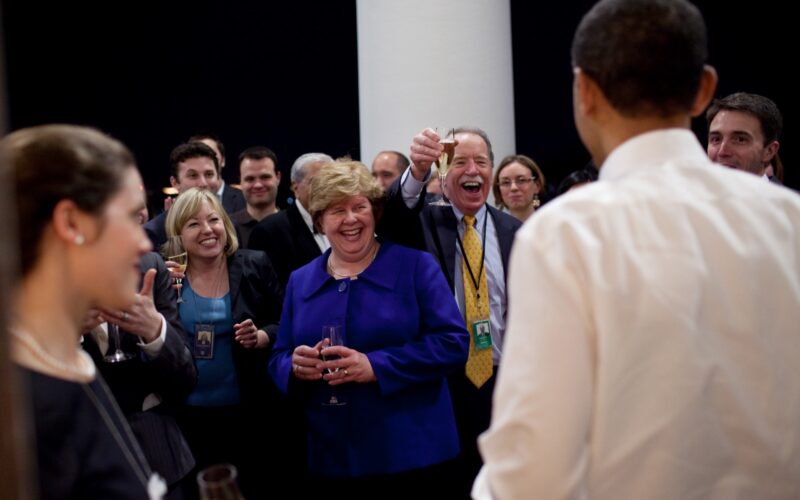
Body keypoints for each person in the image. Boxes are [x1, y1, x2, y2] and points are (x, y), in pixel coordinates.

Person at [474, 1, 800, 498]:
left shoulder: (568, 233)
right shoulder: (790, 219)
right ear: (704, 89)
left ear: (584, 90)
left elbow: (534, 470)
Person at [268, 161, 468, 496]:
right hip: (332, 458)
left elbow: (453, 344)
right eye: (336, 210)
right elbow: (278, 355)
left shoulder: (416, 267)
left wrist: (375, 366)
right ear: (319, 219)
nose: (350, 219)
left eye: (359, 207)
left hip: (414, 454)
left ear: (374, 212)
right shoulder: (300, 280)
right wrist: (294, 366)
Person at [2, 124, 165, 499]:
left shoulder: (65, 361)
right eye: (129, 217)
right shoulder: (23, 414)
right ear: (71, 223)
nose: (144, 242)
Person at [379, 126, 521, 497]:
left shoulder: (515, 231)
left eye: (482, 161)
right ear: (443, 169)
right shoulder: (422, 221)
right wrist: (418, 170)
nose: (472, 170)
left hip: (504, 385)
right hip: (442, 387)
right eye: (460, 161)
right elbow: (395, 212)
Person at [163, 188, 284, 497]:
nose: (207, 230)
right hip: (187, 416)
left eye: (213, 219)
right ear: (178, 234)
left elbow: (288, 321)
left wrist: (262, 336)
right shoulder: (168, 276)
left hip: (248, 411)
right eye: (193, 224)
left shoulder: (255, 264)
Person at [82, 250, 197, 500]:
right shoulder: (45, 278)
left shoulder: (149, 267)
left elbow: (186, 379)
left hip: (159, 455)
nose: (143, 238)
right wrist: (69, 333)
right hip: (85, 461)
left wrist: (155, 333)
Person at [248, 152, 334, 288]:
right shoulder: (268, 232)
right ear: (296, 187)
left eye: (330, 181)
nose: (325, 188)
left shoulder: (344, 223)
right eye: (316, 181)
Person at [144, 141, 220, 248]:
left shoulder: (230, 225)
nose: (203, 183)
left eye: (209, 174)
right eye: (193, 175)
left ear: (218, 178)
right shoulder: (154, 232)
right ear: (175, 183)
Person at [706, 92, 782, 180]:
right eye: (716, 139)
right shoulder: (692, 192)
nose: (722, 152)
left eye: (740, 139)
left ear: (769, 151)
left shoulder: (787, 194)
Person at [230, 146, 281, 247]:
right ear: (240, 181)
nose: (258, 185)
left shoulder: (295, 227)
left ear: (278, 178)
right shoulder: (227, 228)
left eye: (265, 177)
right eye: (250, 179)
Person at [189, 133, 246, 214]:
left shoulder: (245, 200)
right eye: (197, 155)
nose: (204, 160)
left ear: (223, 160)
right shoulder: (177, 206)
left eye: (211, 154)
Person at [491, 154, 546, 221]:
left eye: (521, 180)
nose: (513, 188)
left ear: (537, 186)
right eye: (506, 182)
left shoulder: (550, 226)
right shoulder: (490, 229)